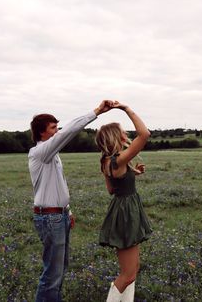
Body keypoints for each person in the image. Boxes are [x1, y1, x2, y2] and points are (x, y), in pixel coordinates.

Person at [28, 100, 114, 302]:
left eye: (57, 126)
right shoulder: (40, 152)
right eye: (53, 128)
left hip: (59, 215)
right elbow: (69, 131)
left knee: (59, 269)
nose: (58, 131)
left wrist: (68, 211)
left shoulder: (52, 155)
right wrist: (96, 112)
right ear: (42, 133)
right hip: (50, 218)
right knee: (52, 273)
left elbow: (57, 185)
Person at [95, 101, 152, 302]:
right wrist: (126, 109)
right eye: (123, 132)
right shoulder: (118, 160)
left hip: (123, 210)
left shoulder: (107, 160)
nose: (127, 135)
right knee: (128, 274)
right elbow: (144, 134)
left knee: (133, 270)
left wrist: (131, 174)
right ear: (117, 137)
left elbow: (112, 189)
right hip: (126, 214)